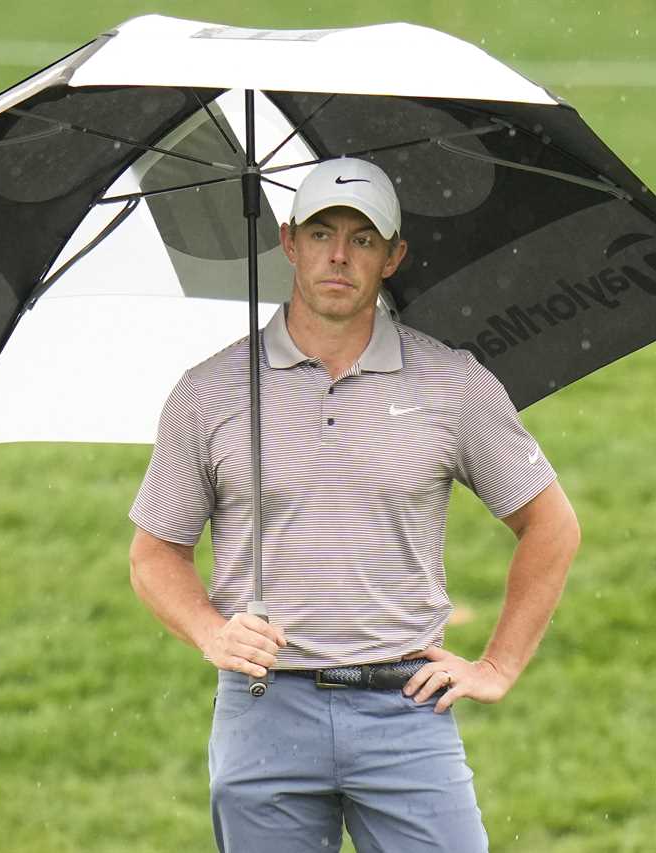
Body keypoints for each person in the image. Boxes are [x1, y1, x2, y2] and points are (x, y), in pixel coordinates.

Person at [128, 157, 580, 853]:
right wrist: (212, 633)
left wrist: (497, 666)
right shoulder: (210, 393)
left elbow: (550, 524)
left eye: (363, 238)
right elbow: (154, 553)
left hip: (405, 709)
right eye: (320, 233)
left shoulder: (452, 384)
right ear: (288, 242)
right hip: (263, 709)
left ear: (393, 256)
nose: (338, 255)